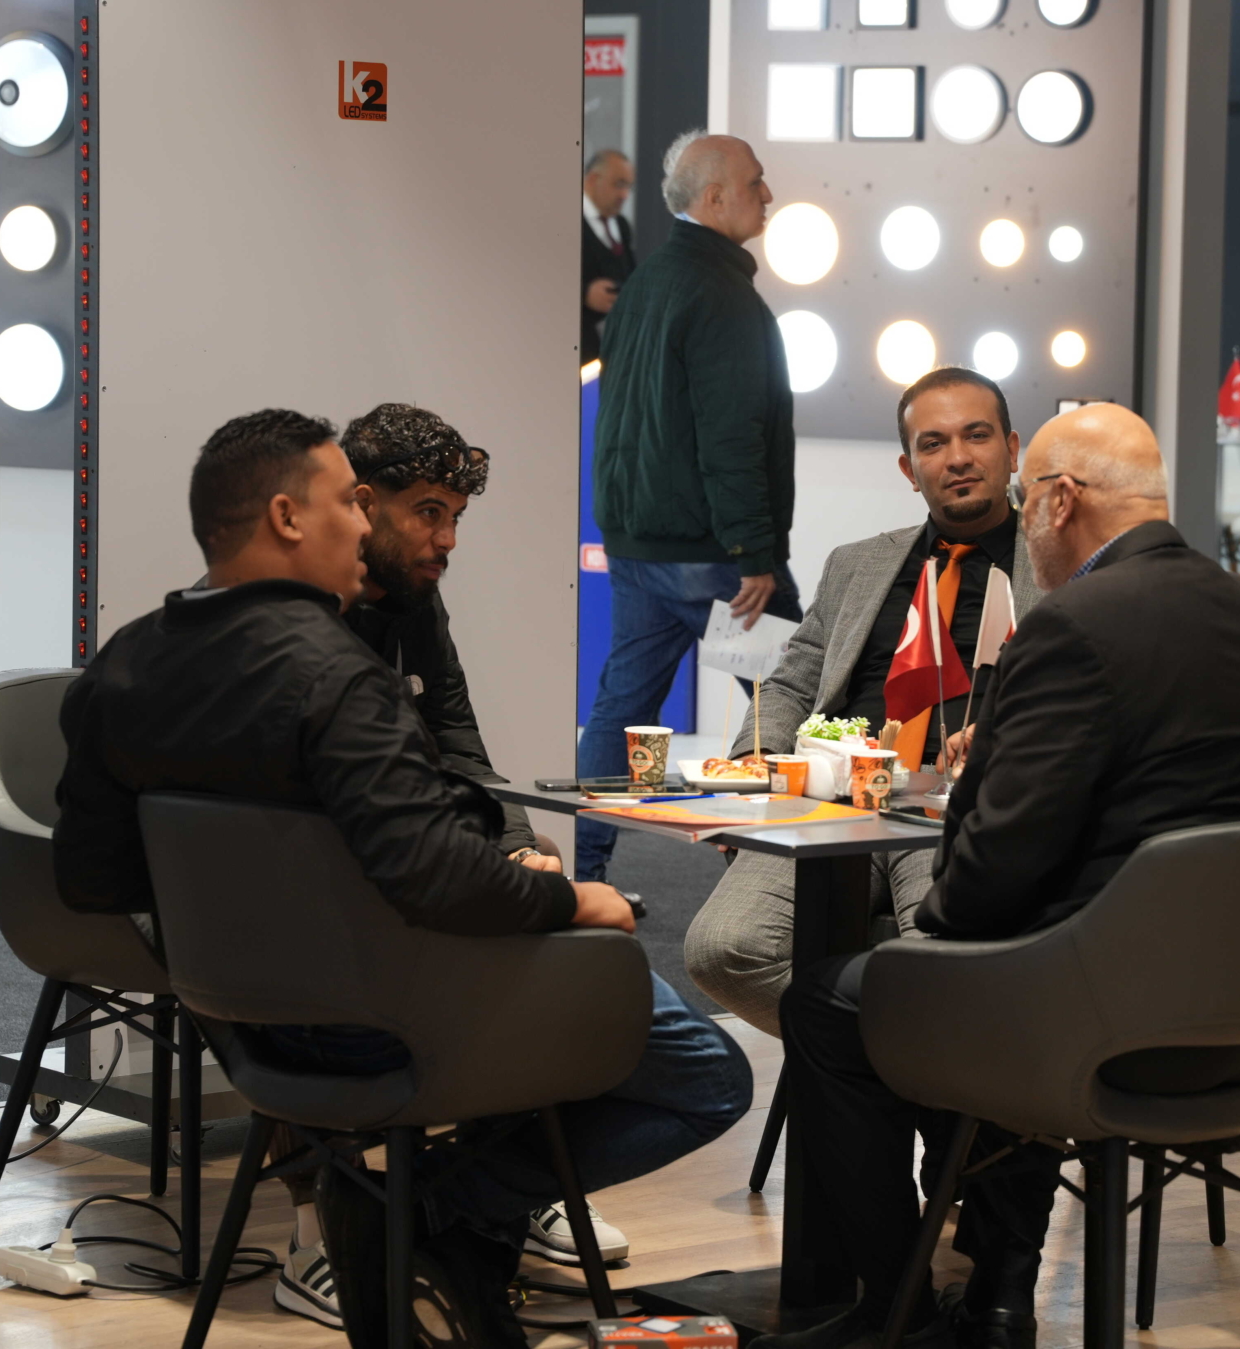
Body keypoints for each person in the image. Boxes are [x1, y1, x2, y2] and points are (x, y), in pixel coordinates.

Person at [53, 409, 752, 1349]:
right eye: (349, 501)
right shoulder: (335, 677)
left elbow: (91, 877)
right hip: (394, 1010)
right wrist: (572, 898)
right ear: (289, 516)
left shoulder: (121, 666)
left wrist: (222, 951)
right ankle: (440, 1207)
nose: (363, 520)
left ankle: (442, 1230)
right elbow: (437, 878)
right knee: (706, 1071)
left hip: (245, 1028)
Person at [757, 404, 1240, 1349]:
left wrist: (975, 796)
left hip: (1100, 1017)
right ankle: (997, 1298)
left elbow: (983, 881)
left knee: (834, 1001)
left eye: (1022, 491)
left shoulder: (1075, 625)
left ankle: (898, 1312)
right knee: (965, 974)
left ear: (1057, 501)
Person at [255, 403, 627, 1325]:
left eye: (456, 516)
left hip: (395, 851)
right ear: (361, 501)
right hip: (292, 884)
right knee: (326, 927)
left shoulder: (415, 596)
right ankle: (316, 1233)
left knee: (531, 877)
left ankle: (500, 1183)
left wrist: (514, 847)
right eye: (428, 512)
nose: (447, 540)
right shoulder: (282, 610)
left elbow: (459, 738)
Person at [684, 367, 1042, 1037]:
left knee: (942, 968)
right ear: (909, 469)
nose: (957, 457)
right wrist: (757, 758)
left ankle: (881, 1067)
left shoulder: (1057, 568)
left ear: (1012, 449)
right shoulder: (857, 565)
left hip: (956, 812)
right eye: (933, 443)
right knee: (722, 949)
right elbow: (791, 683)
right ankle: (875, 1063)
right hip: (833, 804)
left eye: (977, 435)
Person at [576, 129, 802, 883]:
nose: (768, 195)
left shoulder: (647, 282)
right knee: (793, 695)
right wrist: (754, 553)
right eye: (756, 182)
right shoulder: (720, 295)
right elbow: (730, 435)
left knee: (621, 705)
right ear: (714, 197)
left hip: (641, 544)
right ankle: (795, 880)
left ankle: (580, 877)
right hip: (713, 555)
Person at [582, 148, 636, 363]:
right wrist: (584, 294)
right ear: (593, 179)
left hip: (615, 349)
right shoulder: (566, 222)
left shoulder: (621, 225)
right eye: (619, 184)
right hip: (579, 348)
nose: (625, 195)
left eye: (628, 186)